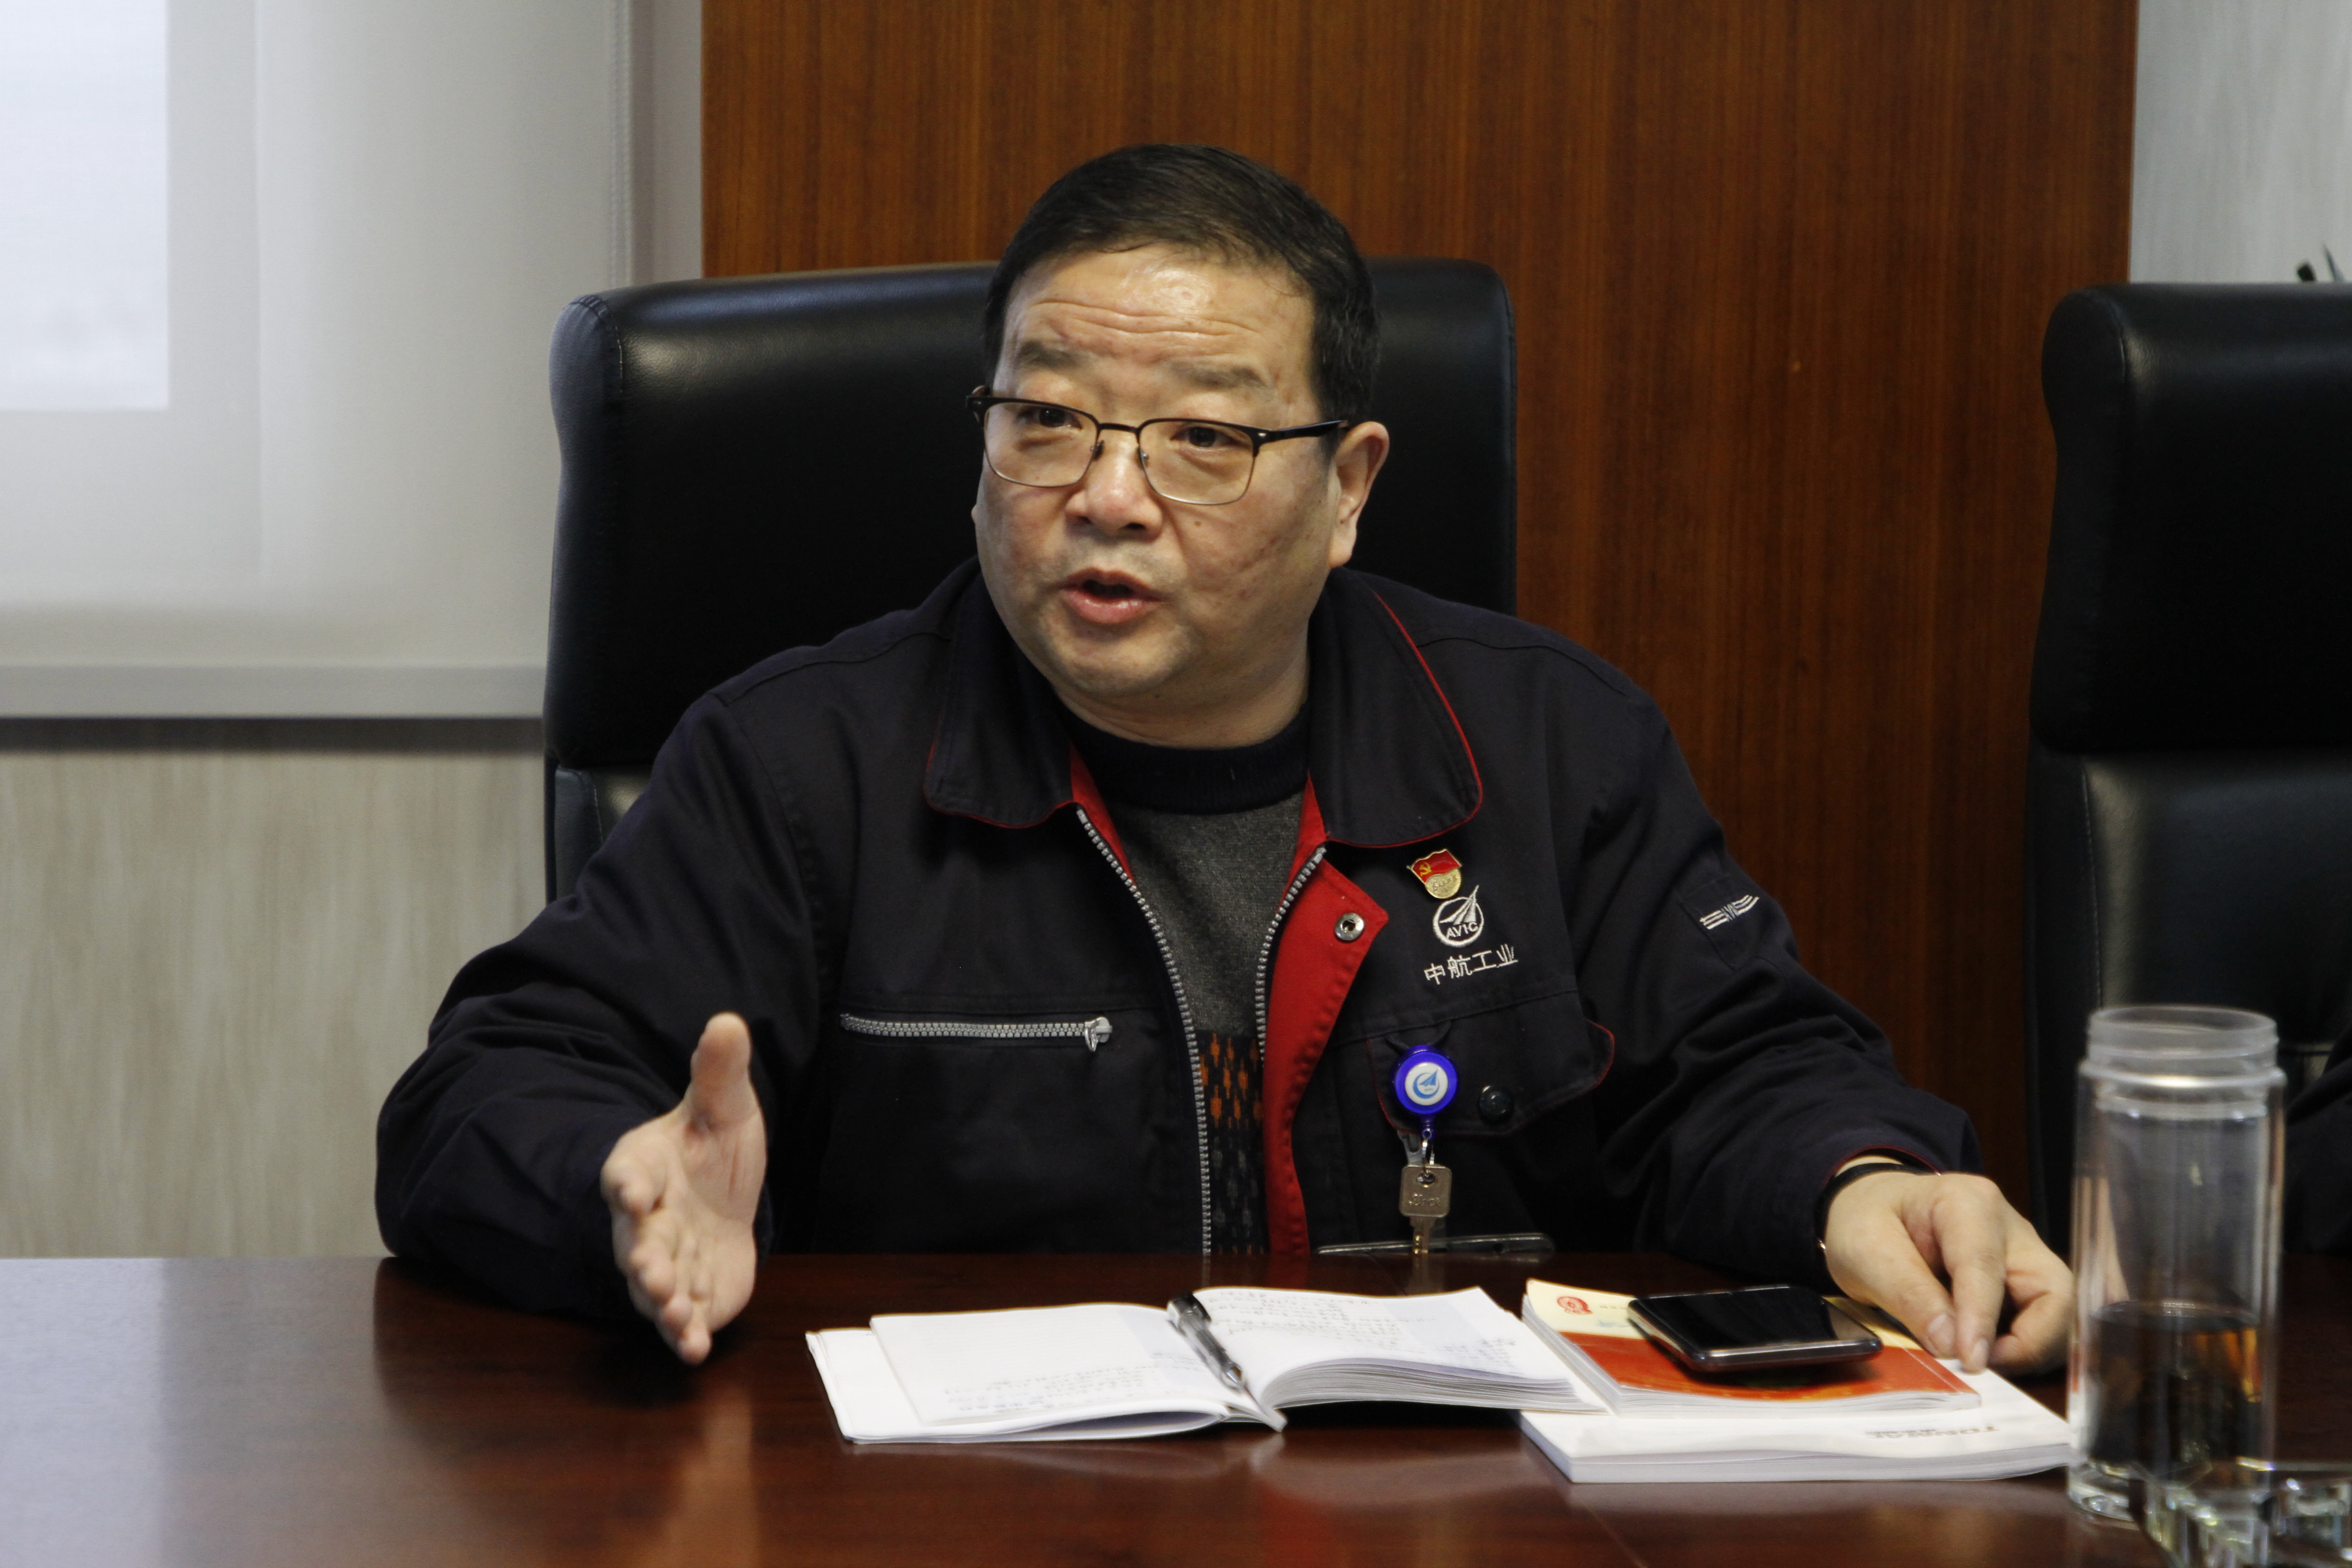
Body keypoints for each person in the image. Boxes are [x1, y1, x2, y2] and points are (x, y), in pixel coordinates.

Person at [377, 143, 2071, 1371]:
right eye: (1047, 419)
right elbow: (482, 1096)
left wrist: (1864, 1182)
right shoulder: (797, 765)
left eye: (1202, 437)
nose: (1107, 494)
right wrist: (617, 1186)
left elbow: (1746, 1069)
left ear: (1349, 489)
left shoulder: (1553, 742)